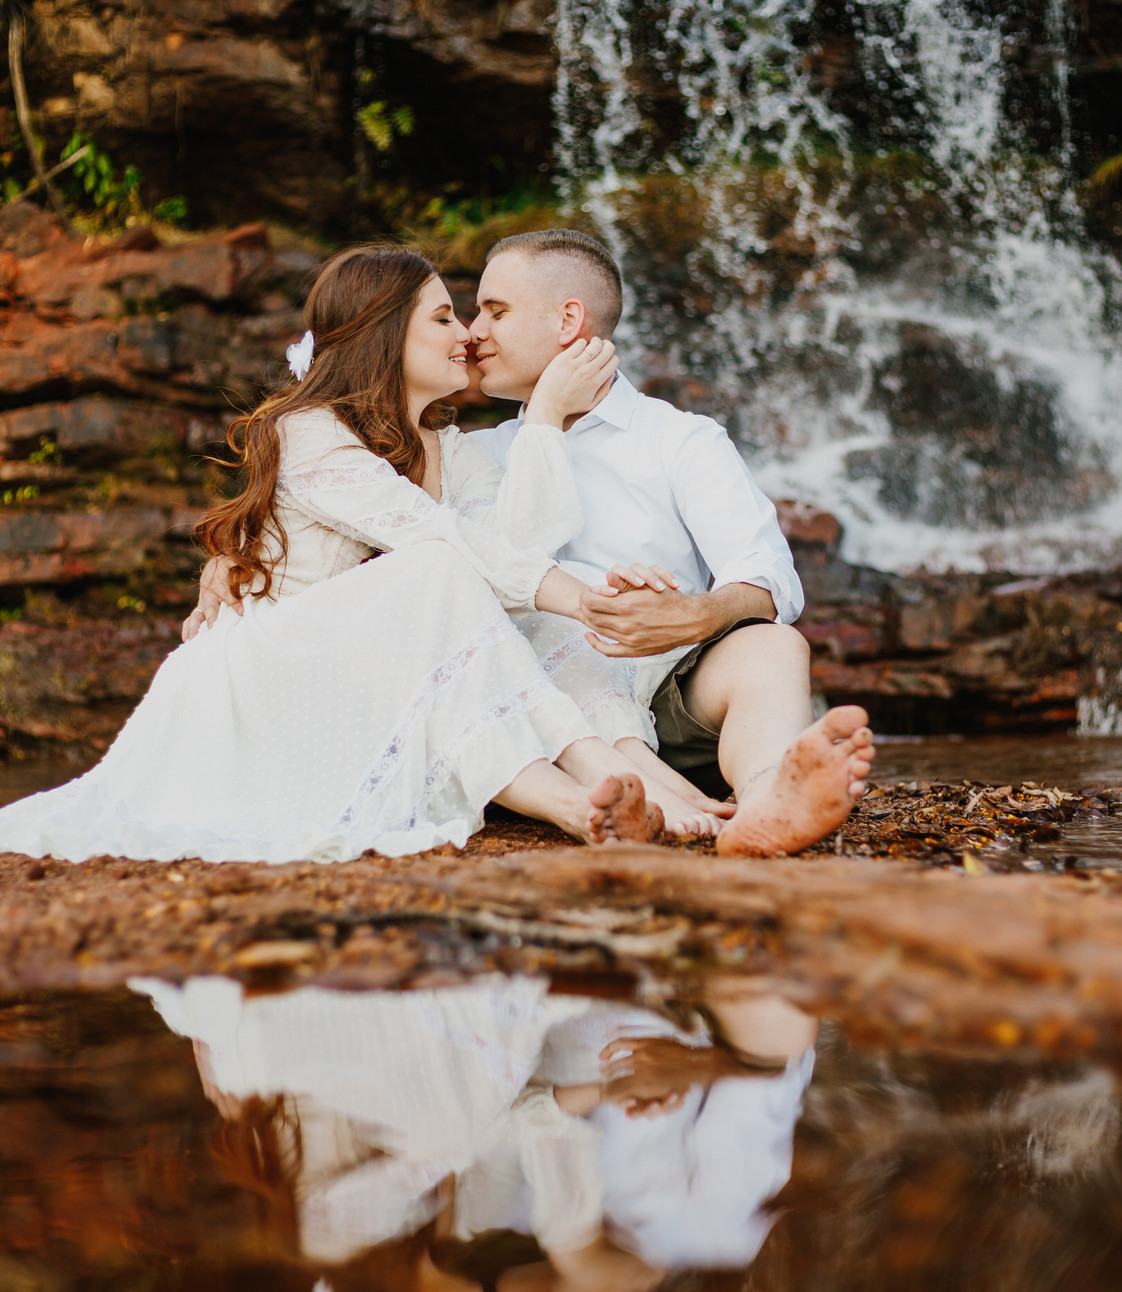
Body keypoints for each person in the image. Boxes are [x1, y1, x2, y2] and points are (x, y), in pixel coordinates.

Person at [0, 246, 718, 864]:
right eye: (442, 318)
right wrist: (579, 593)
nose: (467, 334)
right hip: (260, 689)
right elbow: (442, 543)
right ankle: (586, 792)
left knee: (542, 615)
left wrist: (546, 418)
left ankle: (624, 789)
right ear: (382, 337)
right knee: (445, 568)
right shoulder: (306, 430)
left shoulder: (452, 450)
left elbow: (517, 550)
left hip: (361, 684)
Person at [190, 230, 874, 855]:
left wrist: (700, 613)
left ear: (568, 320)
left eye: (494, 311)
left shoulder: (680, 440)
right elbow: (452, 551)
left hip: (659, 688)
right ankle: (626, 789)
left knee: (774, 643)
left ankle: (764, 801)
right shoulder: (474, 449)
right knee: (522, 614)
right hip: (523, 690)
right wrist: (233, 560)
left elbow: (768, 576)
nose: (473, 332)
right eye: (461, 315)